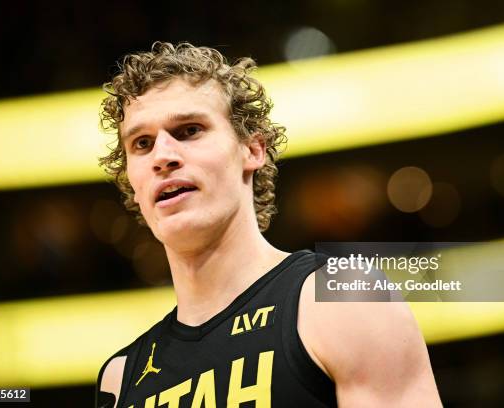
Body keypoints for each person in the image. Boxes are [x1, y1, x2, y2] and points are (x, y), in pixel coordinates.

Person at [95, 41, 442, 408]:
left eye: (189, 130)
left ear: (252, 150)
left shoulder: (343, 299)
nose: (162, 156)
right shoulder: (121, 378)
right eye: (142, 143)